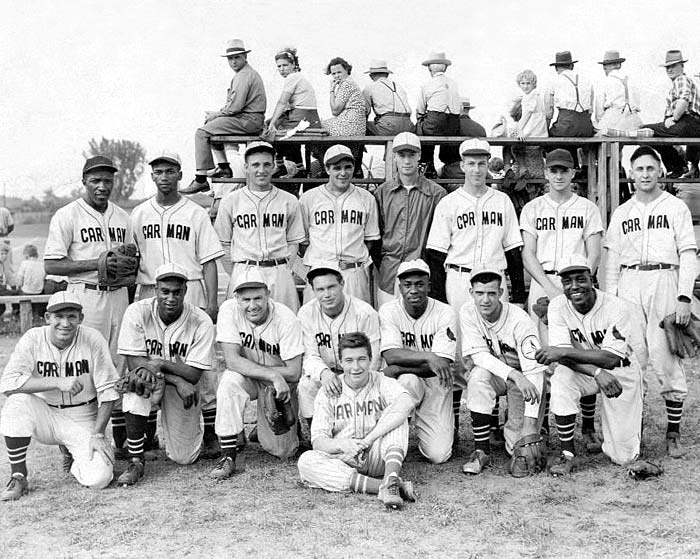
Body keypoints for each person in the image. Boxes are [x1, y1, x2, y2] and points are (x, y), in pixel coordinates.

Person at [604, 145, 697, 457]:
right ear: (631, 174)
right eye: (639, 169)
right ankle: (636, 430)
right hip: (630, 282)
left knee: (664, 354)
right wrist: (612, 302)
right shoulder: (622, 212)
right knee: (633, 356)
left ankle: (673, 433)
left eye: (650, 168)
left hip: (664, 279)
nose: (644, 174)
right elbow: (612, 261)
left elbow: (687, 253)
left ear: (660, 171)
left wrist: (684, 297)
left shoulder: (675, 207)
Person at [130, 151, 224, 457]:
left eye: (170, 171)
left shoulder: (194, 212)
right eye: (158, 172)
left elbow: (209, 260)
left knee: (203, 368)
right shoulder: (140, 214)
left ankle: (211, 432)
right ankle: (146, 432)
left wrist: (211, 304)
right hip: (150, 291)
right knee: (149, 358)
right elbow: (132, 261)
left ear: (180, 175)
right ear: (153, 176)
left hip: (190, 289)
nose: (164, 177)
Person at [44, 155, 132, 453]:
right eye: (95, 180)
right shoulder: (67, 214)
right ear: (84, 182)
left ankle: (120, 439)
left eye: (108, 180)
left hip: (118, 295)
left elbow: (131, 258)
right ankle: (72, 444)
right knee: (83, 365)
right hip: (85, 294)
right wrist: (95, 263)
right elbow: (51, 265)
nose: (102, 186)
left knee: (118, 364)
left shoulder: (122, 216)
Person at [520, 148, 605, 451]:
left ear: (573, 173)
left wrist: (577, 285)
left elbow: (593, 252)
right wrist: (550, 288)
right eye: (553, 170)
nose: (558, 175)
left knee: (583, 350)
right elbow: (527, 254)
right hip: (544, 282)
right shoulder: (533, 208)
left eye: (564, 170)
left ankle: (588, 426)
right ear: (545, 173)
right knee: (543, 354)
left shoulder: (586, 208)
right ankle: (541, 425)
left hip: (578, 283)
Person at [0, 291, 118, 500]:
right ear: (47, 318)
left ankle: (73, 457)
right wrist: (57, 382)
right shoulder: (33, 338)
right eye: (58, 317)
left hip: (83, 416)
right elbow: (8, 383)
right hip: (45, 413)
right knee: (16, 402)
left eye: (71, 316)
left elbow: (108, 390)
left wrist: (98, 434)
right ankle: (18, 475)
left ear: (80, 318)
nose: (65, 323)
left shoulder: (92, 339)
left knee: (100, 478)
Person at [536, 255, 644, 475]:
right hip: (585, 370)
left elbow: (611, 359)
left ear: (592, 279)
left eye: (580, 279)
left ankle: (629, 427)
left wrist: (564, 350)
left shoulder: (616, 306)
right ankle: (568, 455)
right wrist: (595, 372)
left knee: (623, 457)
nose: (574, 286)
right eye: (567, 281)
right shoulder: (558, 305)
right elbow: (563, 358)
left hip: (620, 371)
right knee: (561, 378)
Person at [114, 263, 215, 486]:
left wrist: (159, 363)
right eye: (165, 291)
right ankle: (136, 460)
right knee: (135, 381)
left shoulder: (200, 320)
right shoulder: (137, 311)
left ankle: (198, 435)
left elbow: (194, 373)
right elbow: (135, 363)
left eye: (176, 292)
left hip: (183, 389)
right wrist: (175, 378)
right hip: (156, 383)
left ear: (185, 291)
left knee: (184, 457)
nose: (170, 297)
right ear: (156, 289)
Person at [297, 332, 415, 510]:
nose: (356, 367)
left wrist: (369, 439)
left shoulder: (381, 381)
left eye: (361, 359)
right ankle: (388, 487)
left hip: (377, 453)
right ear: (341, 362)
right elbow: (318, 441)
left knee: (397, 416)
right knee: (306, 461)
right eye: (349, 360)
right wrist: (341, 445)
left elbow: (406, 402)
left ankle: (390, 477)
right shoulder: (328, 390)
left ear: (370, 359)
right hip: (345, 460)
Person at [211, 270, 304, 478]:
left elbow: (294, 371)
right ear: (236, 298)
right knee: (228, 383)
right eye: (246, 299)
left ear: (268, 294)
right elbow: (232, 360)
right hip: (254, 377)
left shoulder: (286, 318)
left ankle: (276, 429)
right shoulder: (229, 310)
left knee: (283, 452)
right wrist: (273, 375)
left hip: (280, 388)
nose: (252, 305)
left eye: (257, 298)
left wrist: (275, 378)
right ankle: (227, 456)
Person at [460, 268, 546, 475]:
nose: (485, 300)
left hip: (524, 377)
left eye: (491, 293)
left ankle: (535, 428)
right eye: (480, 293)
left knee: (516, 447)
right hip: (504, 374)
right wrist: (513, 374)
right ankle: (481, 450)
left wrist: (529, 424)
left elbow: (534, 372)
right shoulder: (467, 311)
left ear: (500, 292)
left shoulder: (520, 320)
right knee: (478, 376)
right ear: (472, 293)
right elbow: (479, 356)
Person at [426, 139, 523, 311]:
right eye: (471, 164)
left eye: (481, 164)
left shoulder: (502, 201)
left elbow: (513, 250)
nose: (476, 170)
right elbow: (436, 255)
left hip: (495, 281)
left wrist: (519, 295)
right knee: (457, 336)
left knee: (497, 336)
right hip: (459, 280)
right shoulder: (448, 203)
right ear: (462, 166)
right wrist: (439, 298)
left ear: (488, 165)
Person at [379, 259, 457, 464]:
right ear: (400, 287)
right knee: (407, 380)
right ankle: (397, 437)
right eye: (407, 284)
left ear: (429, 286)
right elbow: (390, 355)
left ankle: (441, 428)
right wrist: (428, 357)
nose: (413, 290)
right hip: (405, 381)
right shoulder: (389, 310)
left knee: (438, 455)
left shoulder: (445, 312)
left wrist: (396, 368)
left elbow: (442, 365)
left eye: (419, 284)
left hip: (435, 383)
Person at [214, 141, 305, 312]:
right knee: (243, 329)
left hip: (279, 270)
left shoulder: (289, 200)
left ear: (273, 167)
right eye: (255, 165)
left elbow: (294, 242)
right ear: (246, 167)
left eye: (266, 164)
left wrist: (285, 267)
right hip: (245, 269)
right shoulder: (231, 200)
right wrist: (237, 271)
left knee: (285, 324)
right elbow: (223, 244)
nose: (261, 170)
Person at [297, 264, 381, 433]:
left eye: (331, 287)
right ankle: (316, 433)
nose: (326, 294)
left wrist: (352, 379)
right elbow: (309, 356)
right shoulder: (306, 313)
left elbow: (374, 357)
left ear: (342, 284)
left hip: (358, 374)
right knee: (306, 385)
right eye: (320, 289)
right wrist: (324, 373)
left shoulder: (364, 312)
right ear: (313, 290)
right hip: (327, 373)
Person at [299, 144, 380, 305]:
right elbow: (302, 241)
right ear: (327, 169)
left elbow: (370, 239)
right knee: (317, 325)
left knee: (356, 325)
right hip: (320, 271)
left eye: (348, 167)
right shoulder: (309, 198)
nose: (343, 173)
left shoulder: (366, 198)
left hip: (353, 272)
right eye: (337, 168)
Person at [183, 39, 266, 194]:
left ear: (245, 57)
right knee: (212, 127)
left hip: (248, 120)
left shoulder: (244, 75)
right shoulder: (245, 74)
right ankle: (223, 168)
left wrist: (216, 115)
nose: (233, 61)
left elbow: (235, 106)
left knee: (202, 132)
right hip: (247, 119)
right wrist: (217, 116)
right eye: (230, 58)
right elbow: (233, 107)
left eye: (237, 57)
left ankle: (201, 179)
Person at [373, 132, 446, 307]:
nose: (407, 161)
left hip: (421, 275)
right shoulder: (382, 193)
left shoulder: (437, 194)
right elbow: (376, 235)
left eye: (411, 155)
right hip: (389, 276)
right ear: (394, 157)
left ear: (419, 156)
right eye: (401, 155)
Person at [265, 47, 322, 181]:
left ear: (294, 65)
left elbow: (282, 102)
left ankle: (283, 165)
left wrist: (273, 123)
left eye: (285, 65)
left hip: (305, 116)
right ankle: (296, 166)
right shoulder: (296, 78)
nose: (282, 69)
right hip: (303, 115)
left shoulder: (293, 77)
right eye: (279, 66)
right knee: (273, 126)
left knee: (274, 131)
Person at [643, 50, 700, 178]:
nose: (669, 69)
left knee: (645, 130)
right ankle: (683, 166)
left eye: (673, 66)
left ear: (682, 66)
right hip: (692, 123)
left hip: (686, 121)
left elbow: (684, 100)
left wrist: (674, 119)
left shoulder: (681, 80)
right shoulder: (681, 82)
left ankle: (678, 165)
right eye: (668, 67)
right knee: (658, 133)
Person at [416, 51, 461, 178]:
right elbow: (459, 107)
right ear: (445, 68)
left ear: (430, 69)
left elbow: (420, 109)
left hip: (435, 121)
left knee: (421, 128)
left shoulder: (427, 84)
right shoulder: (453, 83)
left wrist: (421, 119)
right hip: (453, 123)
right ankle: (448, 167)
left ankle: (427, 164)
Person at [545, 51, 594, 165]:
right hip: (586, 127)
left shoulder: (554, 81)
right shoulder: (586, 80)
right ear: (572, 66)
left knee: (550, 142)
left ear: (556, 68)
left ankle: (564, 167)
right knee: (572, 139)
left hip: (566, 125)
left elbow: (549, 112)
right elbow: (591, 110)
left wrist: (546, 131)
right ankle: (578, 166)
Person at [322, 57, 366, 172]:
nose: (336, 76)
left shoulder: (346, 84)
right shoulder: (351, 83)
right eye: (333, 73)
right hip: (355, 125)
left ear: (347, 70)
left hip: (349, 125)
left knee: (317, 127)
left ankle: (325, 168)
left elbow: (335, 110)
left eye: (339, 72)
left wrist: (331, 90)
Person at [593, 51, 642, 136]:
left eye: (605, 67)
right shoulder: (632, 80)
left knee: (598, 136)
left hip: (613, 121)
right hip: (633, 122)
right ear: (619, 65)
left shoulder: (605, 81)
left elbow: (599, 108)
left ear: (605, 67)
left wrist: (601, 122)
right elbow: (637, 102)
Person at [363, 59, 415, 136]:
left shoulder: (370, 87)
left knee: (358, 127)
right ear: (387, 74)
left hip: (388, 126)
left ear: (371, 76)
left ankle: (359, 148)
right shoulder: (399, 86)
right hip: (408, 126)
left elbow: (364, 112)